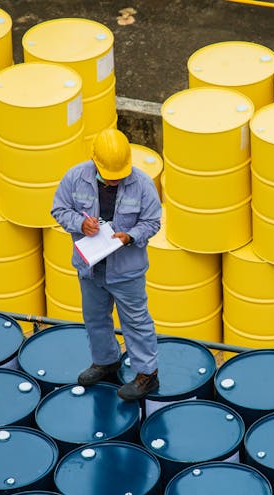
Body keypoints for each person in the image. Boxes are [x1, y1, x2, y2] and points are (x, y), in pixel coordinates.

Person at [51, 128, 162, 401]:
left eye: (119, 177)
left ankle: (147, 374)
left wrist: (130, 236)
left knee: (136, 322)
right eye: (109, 177)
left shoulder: (143, 184)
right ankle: (105, 362)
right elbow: (59, 209)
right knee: (95, 318)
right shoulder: (75, 178)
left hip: (126, 270)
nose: (114, 182)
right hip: (90, 266)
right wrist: (79, 223)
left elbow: (152, 222)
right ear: (95, 162)